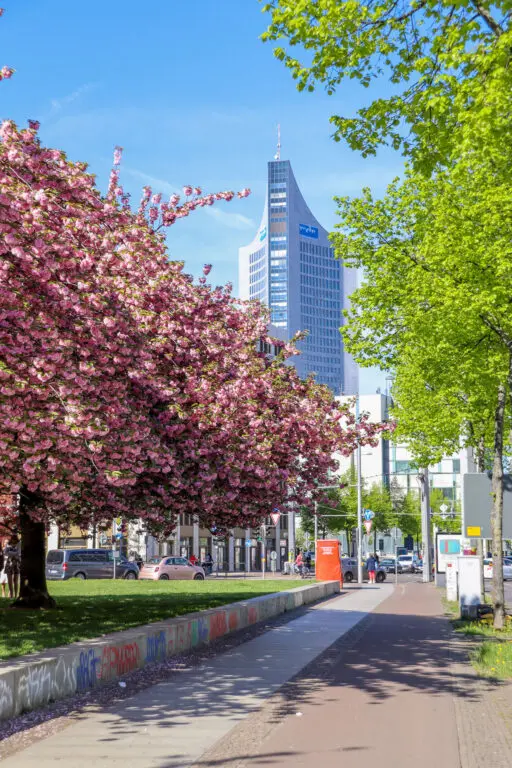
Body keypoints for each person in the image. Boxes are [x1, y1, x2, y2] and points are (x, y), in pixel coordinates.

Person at [4, 535, 21, 599]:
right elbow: (5, 552)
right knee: (9, 581)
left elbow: (19, 553)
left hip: (16, 563)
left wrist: (10, 553)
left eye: (14, 539)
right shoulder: (8, 544)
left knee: (15, 580)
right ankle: (11, 595)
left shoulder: (19, 544)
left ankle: (16, 595)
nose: (13, 541)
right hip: (9, 563)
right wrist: (14, 553)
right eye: (12, 539)